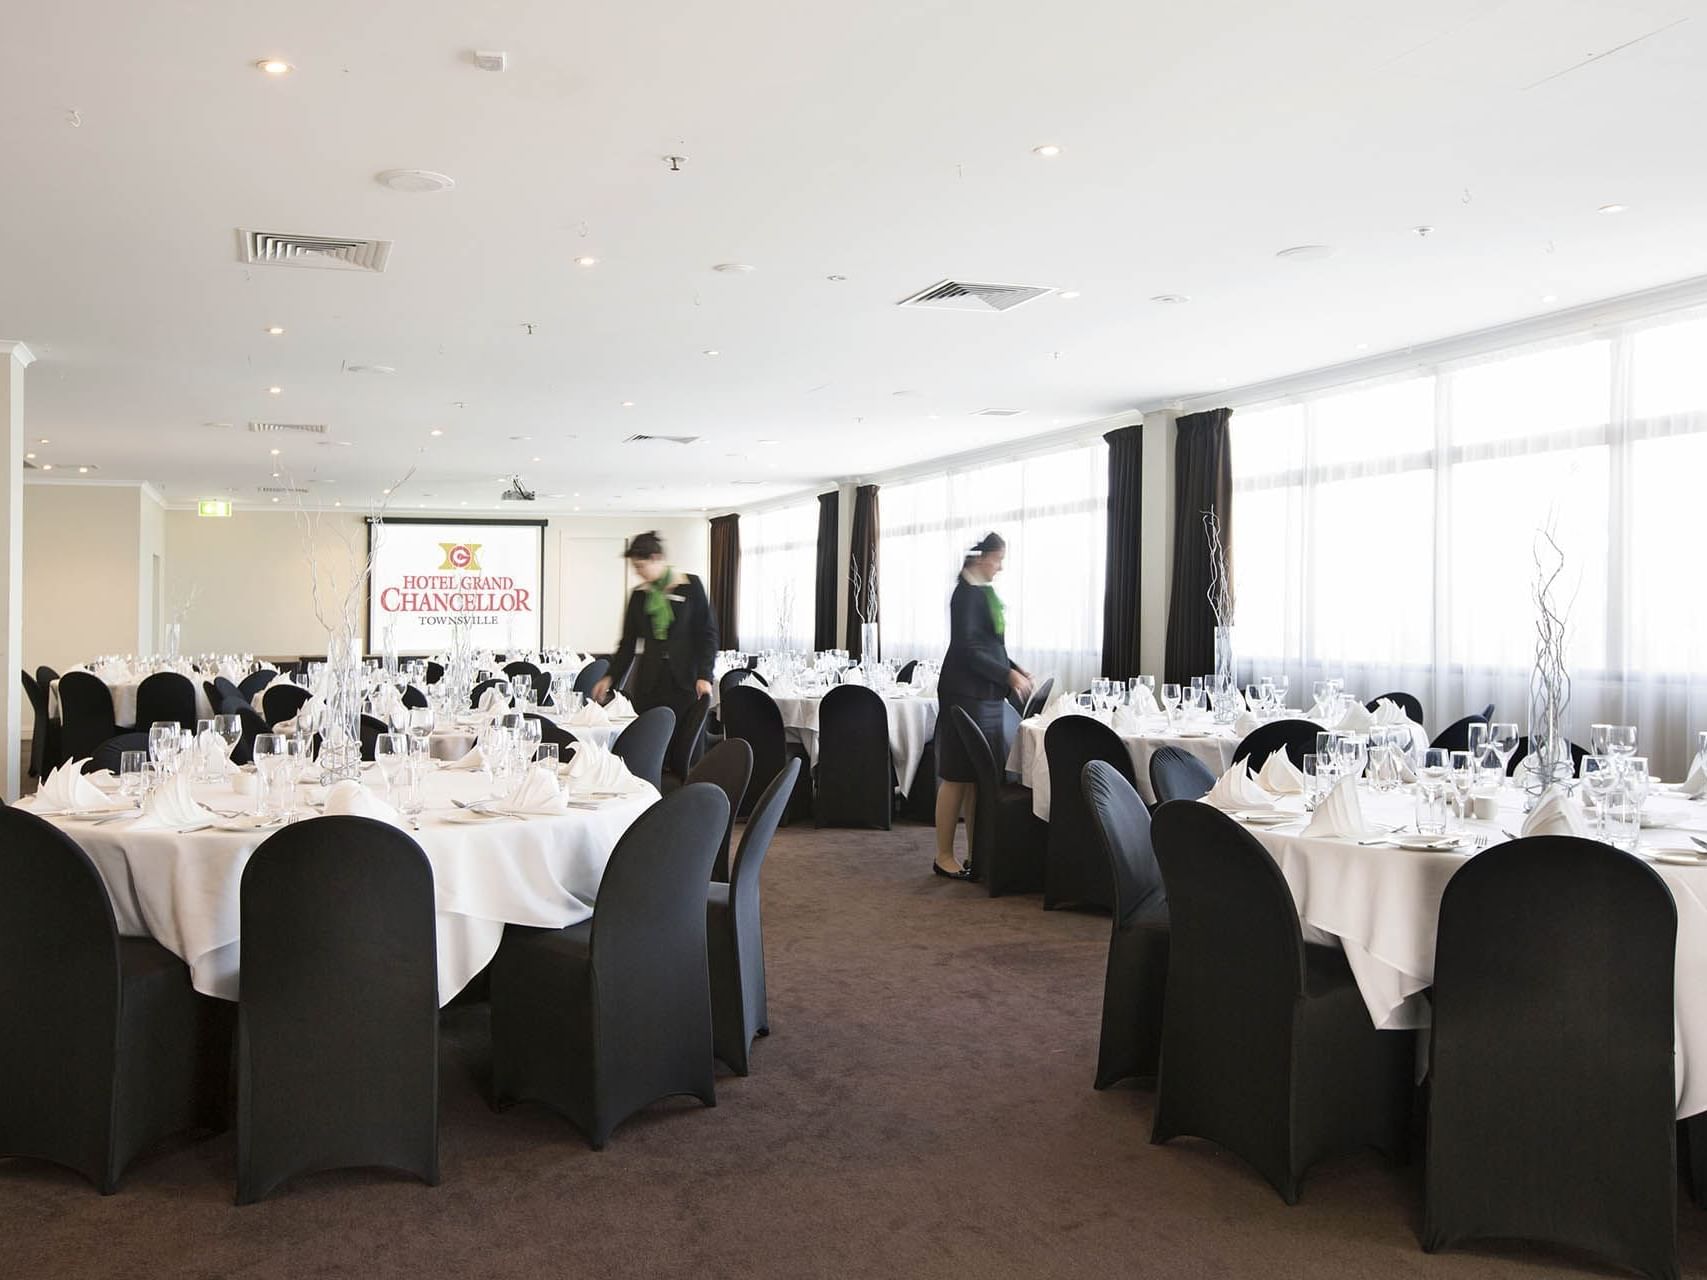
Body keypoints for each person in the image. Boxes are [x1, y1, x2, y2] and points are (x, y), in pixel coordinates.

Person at [933, 531, 1032, 878]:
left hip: (984, 694)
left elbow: (991, 646)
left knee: (978, 777)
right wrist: (1007, 677)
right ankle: (943, 856)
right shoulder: (965, 596)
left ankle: (976, 854)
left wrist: (1013, 667)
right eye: (998, 559)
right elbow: (968, 649)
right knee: (958, 775)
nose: (1000, 567)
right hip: (965, 694)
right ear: (981, 557)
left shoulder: (982, 593)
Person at [594, 531, 718, 767]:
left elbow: (708, 635)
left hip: (686, 681)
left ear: (656, 558)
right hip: (650, 683)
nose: (638, 572)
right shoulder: (639, 596)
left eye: (641, 566)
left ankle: (685, 796)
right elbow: (628, 644)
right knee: (651, 747)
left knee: (686, 749)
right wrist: (610, 677)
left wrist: (705, 675)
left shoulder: (690, 586)